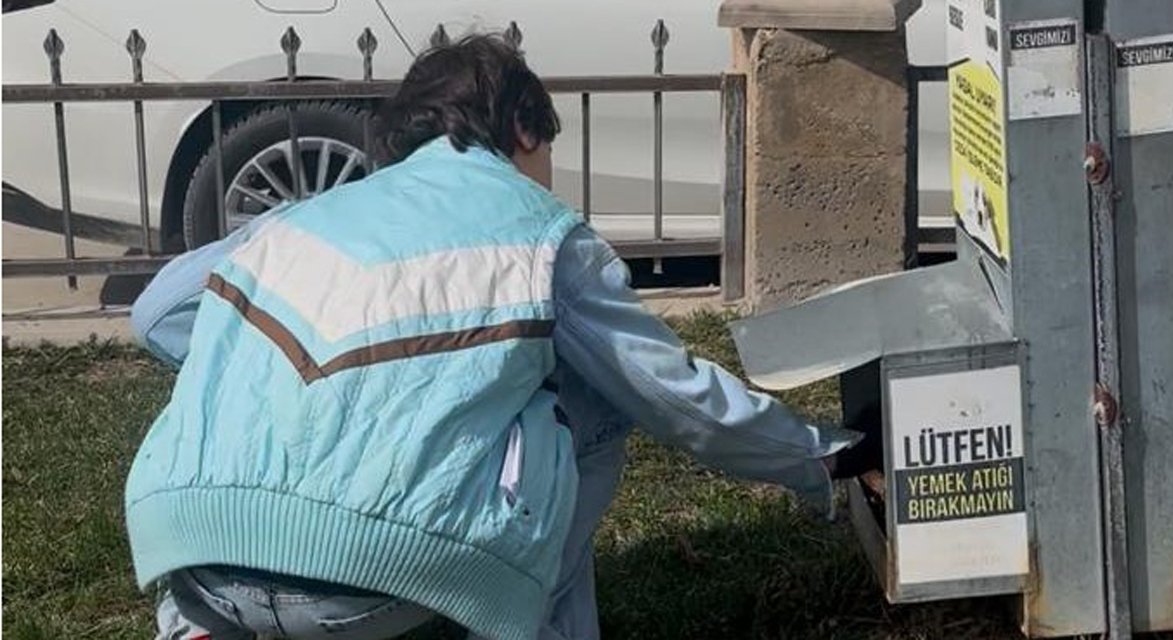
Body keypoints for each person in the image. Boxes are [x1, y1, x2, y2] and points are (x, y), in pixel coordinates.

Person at [125, 34, 873, 640]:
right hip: (377, 582)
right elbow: (672, 395)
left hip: (192, 552)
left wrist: (292, 380)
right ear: (523, 129)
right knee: (599, 398)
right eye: (546, 151)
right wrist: (818, 456)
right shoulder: (542, 237)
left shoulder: (304, 217)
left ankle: (202, 627)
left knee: (239, 353)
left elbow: (159, 313)